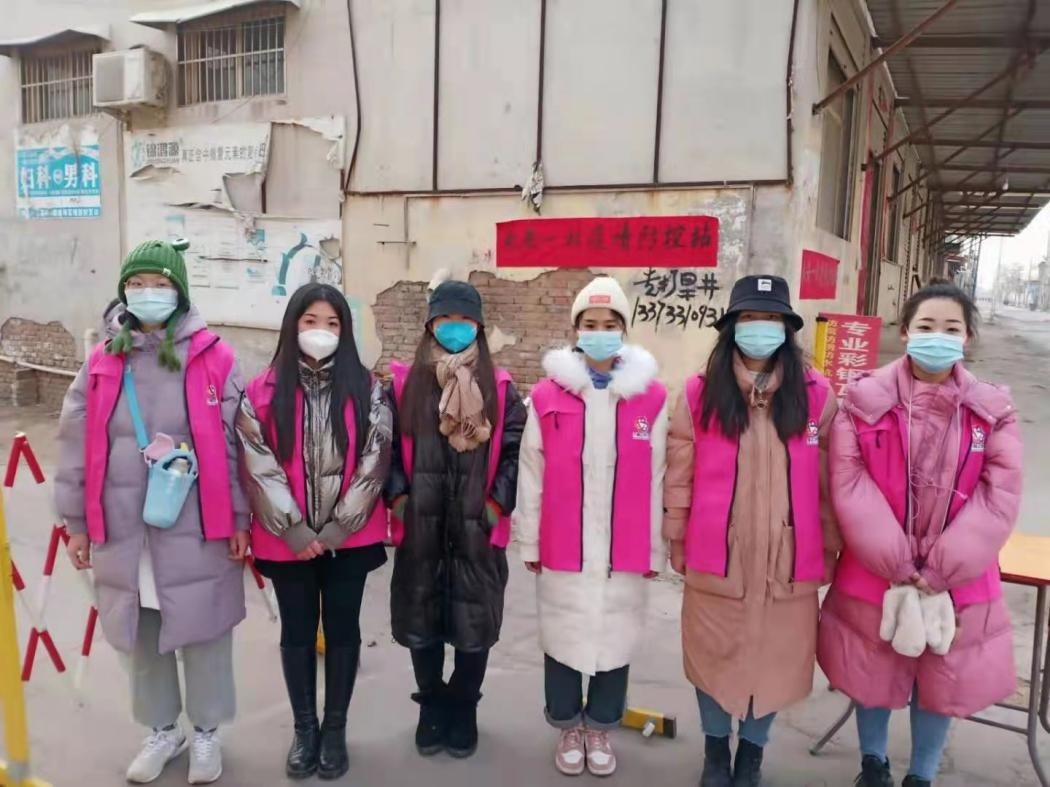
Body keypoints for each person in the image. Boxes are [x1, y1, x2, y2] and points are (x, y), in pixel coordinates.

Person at [55, 239, 249, 785]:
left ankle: (207, 732)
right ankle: (164, 730)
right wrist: (75, 523)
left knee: (206, 630)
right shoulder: (101, 362)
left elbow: (238, 446)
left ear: (179, 291)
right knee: (141, 631)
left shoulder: (214, 357)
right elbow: (74, 445)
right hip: (123, 527)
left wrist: (240, 519)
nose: (148, 293)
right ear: (123, 292)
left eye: (159, 284)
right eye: (137, 284)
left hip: (198, 524)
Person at [818, 281, 1022, 787]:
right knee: (871, 668)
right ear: (906, 332)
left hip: (959, 573)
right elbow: (848, 483)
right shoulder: (862, 400)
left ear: (967, 337)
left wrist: (942, 567)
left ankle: (922, 775)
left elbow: (1000, 494)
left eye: (951, 328)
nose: (938, 336)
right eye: (926, 325)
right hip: (876, 565)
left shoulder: (992, 409)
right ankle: (873, 764)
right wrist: (897, 562)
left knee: (941, 676)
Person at [663, 274, 838, 787]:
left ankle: (752, 756)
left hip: (790, 558)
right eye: (750, 318)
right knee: (712, 655)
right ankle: (716, 752)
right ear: (732, 327)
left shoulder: (817, 395)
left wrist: (830, 548)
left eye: (771, 318)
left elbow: (829, 484)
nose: (760, 328)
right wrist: (677, 536)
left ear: (787, 328)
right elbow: (679, 475)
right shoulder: (699, 393)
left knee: (776, 662)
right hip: (718, 553)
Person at [513, 275, 668, 778]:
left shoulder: (650, 397)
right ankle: (567, 726)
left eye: (609, 324)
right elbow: (531, 471)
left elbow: (659, 476)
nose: (600, 333)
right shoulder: (547, 395)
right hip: (566, 542)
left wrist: (655, 549)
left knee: (615, 640)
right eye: (590, 324)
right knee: (563, 638)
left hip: (624, 545)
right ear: (576, 330)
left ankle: (600, 726)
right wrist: (529, 539)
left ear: (624, 329)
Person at [236, 283, 391, 780]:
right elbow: (257, 464)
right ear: (292, 326)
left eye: (332, 323)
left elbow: (376, 458)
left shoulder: (368, 388)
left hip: (351, 540)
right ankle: (305, 730)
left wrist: (342, 525)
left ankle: (335, 729)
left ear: (345, 332)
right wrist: (294, 529)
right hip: (288, 543)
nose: (320, 331)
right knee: (297, 632)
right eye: (310, 321)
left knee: (343, 631)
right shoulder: (260, 392)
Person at [384, 278, 526, 759]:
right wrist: (400, 502)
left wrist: (493, 508)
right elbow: (385, 453)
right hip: (420, 530)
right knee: (421, 624)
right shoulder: (404, 386)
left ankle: (463, 707)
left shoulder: (500, 389)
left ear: (479, 327)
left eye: (465, 319)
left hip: (476, 534)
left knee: (473, 628)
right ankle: (430, 706)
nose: (455, 327)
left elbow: (516, 454)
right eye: (446, 318)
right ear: (430, 324)